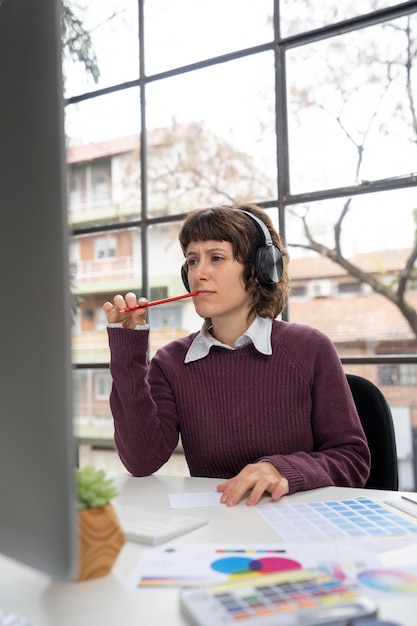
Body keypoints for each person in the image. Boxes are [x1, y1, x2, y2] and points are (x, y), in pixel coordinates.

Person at [103, 203, 370, 507]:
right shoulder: (171, 363)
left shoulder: (309, 349)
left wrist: (281, 469)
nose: (198, 273)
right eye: (192, 260)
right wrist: (128, 349)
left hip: (296, 521)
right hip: (216, 522)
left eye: (216, 258)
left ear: (259, 269)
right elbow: (141, 460)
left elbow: (352, 459)